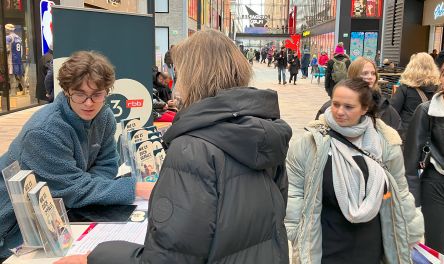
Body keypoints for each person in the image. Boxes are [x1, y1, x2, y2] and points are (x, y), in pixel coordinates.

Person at [57, 29, 291, 264]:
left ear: (193, 76)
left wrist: (95, 257)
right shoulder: (265, 134)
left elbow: (168, 259)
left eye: (179, 73)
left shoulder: (193, 149)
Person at [0, 51, 153, 261]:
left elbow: (108, 164)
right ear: (66, 91)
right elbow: (73, 189)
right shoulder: (45, 131)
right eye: (79, 94)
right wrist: (133, 188)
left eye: (97, 94)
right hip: (11, 229)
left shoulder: (105, 116)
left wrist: (86, 185)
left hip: (54, 218)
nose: (89, 103)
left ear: (106, 92)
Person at [285, 78, 423, 264]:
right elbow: (294, 191)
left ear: (365, 108)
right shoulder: (311, 143)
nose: (340, 112)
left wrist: (411, 231)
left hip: (371, 247)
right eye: (336, 104)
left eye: (349, 107)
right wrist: (295, 232)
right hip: (325, 246)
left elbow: (400, 190)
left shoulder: (386, 144)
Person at [404, 55, 444, 264]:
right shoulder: (427, 110)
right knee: (435, 253)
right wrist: (411, 202)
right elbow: (411, 159)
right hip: (436, 185)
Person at [317, 57, 402, 132]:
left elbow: (395, 135)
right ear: (353, 75)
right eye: (365, 73)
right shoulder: (331, 106)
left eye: (373, 73)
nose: (370, 77)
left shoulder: (383, 105)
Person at [390, 52, 439, 141]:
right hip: (432, 136)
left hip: (407, 135)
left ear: (411, 67)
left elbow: (392, 112)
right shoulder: (439, 89)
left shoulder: (405, 88)